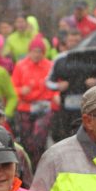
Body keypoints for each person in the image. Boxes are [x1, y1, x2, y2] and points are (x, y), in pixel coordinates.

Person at [11, 35, 56, 169]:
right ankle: (27, 166)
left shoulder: (50, 66)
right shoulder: (21, 66)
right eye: (34, 51)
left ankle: (39, 166)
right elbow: (12, 88)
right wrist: (21, 91)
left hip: (44, 107)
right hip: (25, 107)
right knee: (26, 141)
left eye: (39, 52)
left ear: (44, 52)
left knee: (39, 139)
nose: (36, 54)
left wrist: (55, 96)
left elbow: (56, 85)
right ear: (29, 52)